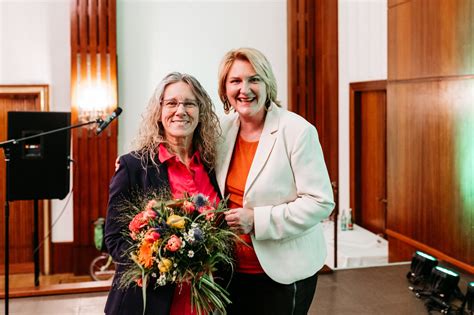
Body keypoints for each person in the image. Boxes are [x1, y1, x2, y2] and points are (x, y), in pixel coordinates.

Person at [216, 47, 335, 315]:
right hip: (232, 271)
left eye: (254, 79)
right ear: (225, 89)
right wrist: (133, 164)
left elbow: (321, 203)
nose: (244, 89)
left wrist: (257, 220)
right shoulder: (222, 132)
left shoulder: (297, 131)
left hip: (282, 274)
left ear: (268, 83)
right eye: (235, 81)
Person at [104, 72, 221, 315]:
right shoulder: (134, 166)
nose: (180, 110)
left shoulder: (212, 167)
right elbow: (114, 239)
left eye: (190, 103)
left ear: (201, 112)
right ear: (159, 111)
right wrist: (162, 262)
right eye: (171, 103)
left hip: (203, 303)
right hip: (148, 303)